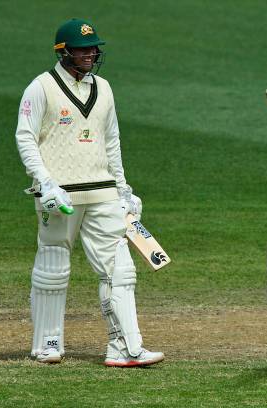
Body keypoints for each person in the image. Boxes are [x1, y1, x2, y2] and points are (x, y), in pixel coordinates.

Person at [15, 18, 164, 367]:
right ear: (63, 52)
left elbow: (111, 141)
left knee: (120, 269)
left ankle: (125, 346)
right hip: (59, 196)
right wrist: (45, 182)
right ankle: (47, 344)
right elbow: (25, 137)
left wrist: (123, 188)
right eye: (82, 49)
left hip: (102, 191)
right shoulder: (41, 87)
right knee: (54, 267)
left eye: (93, 48)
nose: (90, 54)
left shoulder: (104, 88)